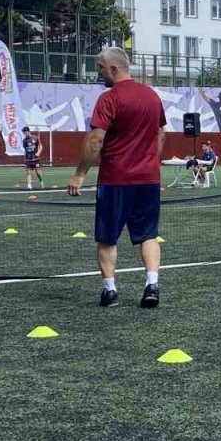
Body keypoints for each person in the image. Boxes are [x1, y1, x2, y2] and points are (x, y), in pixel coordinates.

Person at [68, 47, 167, 309]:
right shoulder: (151, 96)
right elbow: (161, 135)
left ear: (113, 68)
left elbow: (95, 139)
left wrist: (79, 174)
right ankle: (152, 285)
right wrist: (151, 163)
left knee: (107, 237)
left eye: (100, 67)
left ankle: (110, 291)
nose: (99, 72)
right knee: (148, 235)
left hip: (115, 179)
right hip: (148, 179)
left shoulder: (108, 98)